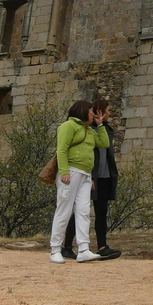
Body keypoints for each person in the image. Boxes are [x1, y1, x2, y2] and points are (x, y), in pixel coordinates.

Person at [63, 97, 121, 260]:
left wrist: (113, 170)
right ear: (100, 111)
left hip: (105, 177)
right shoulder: (86, 129)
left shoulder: (106, 129)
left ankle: (102, 246)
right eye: (107, 110)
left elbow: (106, 150)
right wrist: (90, 177)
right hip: (88, 176)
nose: (109, 113)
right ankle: (66, 247)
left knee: (102, 212)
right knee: (79, 211)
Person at [51, 100, 108, 264]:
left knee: (83, 211)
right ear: (83, 111)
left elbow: (103, 143)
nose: (94, 114)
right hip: (71, 171)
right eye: (92, 112)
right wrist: (64, 172)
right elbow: (61, 149)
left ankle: (83, 249)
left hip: (85, 174)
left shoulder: (89, 130)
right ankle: (55, 249)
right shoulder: (68, 126)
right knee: (64, 210)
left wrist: (100, 125)